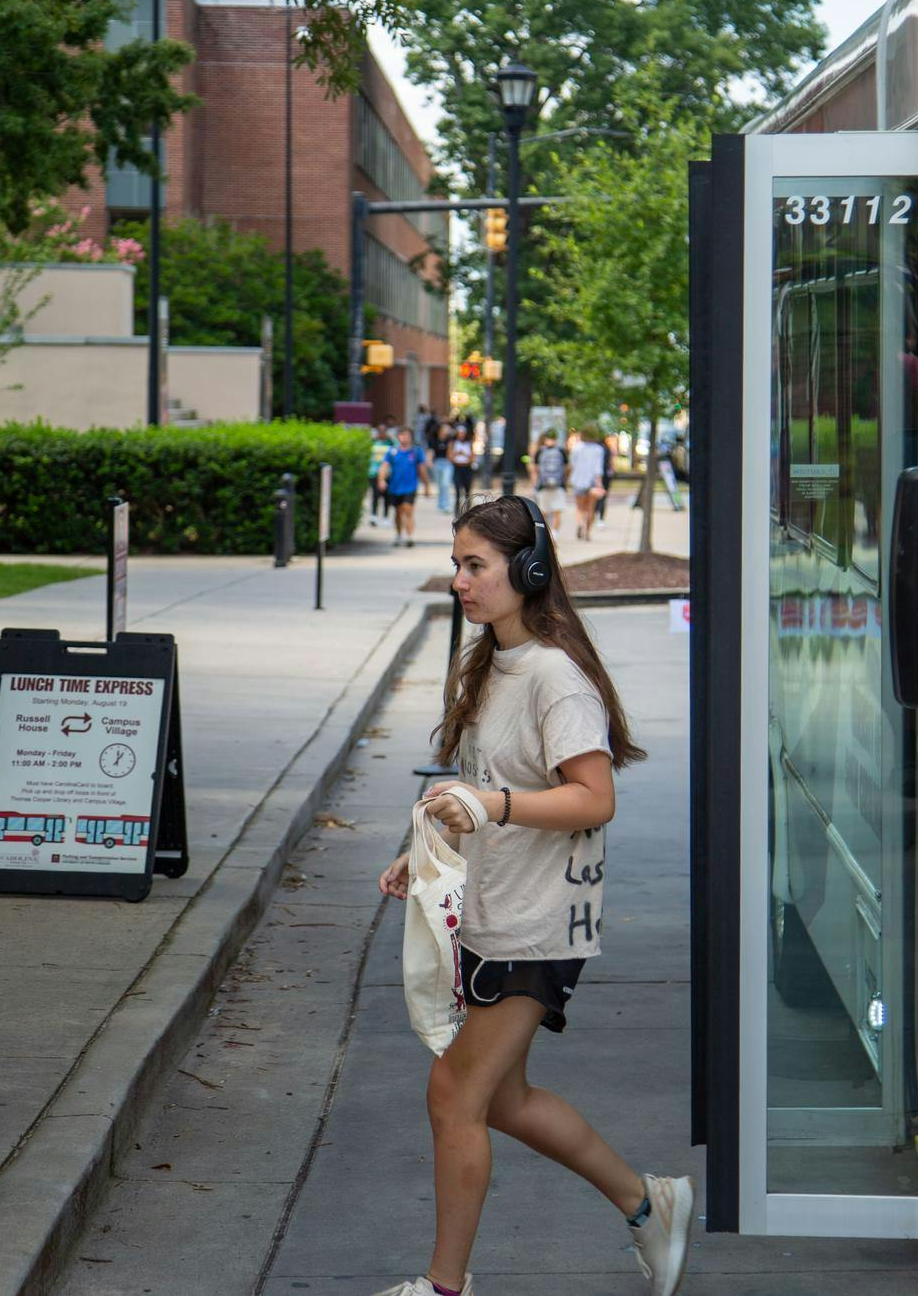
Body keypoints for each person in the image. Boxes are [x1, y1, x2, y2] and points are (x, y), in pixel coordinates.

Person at [375, 496, 692, 1296]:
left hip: (539, 926)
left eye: (475, 565)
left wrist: (495, 806)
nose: (459, 582)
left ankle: (445, 1287)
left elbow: (593, 797)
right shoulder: (487, 663)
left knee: (454, 1094)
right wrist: (425, 848)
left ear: (529, 571)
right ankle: (646, 1202)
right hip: (494, 911)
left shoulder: (556, 678)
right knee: (505, 1098)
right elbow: (480, 786)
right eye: (457, 564)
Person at [382, 427, 430, 548]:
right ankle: (398, 535)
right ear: (398, 437)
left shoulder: (416, 452)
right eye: (401, 435)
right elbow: (384, 466)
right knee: (398, 512)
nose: (404, 438)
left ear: (411, 437)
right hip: (395, 487)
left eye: (406, 435)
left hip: (410, 486)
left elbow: (422, 469)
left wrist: (426, 485)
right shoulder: (392, 452)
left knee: (408, 510)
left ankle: (410, 536)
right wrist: (381, 479)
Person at [567, 430, 607, 542]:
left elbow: (572, 465)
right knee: (591, 509)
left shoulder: (576, 448)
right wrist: (600, 484)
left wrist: (568, 479)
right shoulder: (598, 449)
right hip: (592, 483)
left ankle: (580, 523)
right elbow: (598, 469)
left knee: (579, 508)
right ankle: (587, 532)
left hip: (578, 481)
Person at [528, 431, 567, 538]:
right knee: (557, 512)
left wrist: (534, 485)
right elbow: (566, 468)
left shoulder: (540, 451)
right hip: (558, 485)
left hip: (543, 486)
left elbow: (535, 469)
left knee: (543, 512)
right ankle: (554, 534)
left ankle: (543, 534)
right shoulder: (561, 451)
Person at [369, 426, 395, 527]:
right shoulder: (373, 442)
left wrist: (392, 439)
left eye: (384, 431)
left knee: (387, 496)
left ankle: (386, 517)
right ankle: (374, 516)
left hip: (388, 473)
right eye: (379, 431)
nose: (381, 433)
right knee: (375, 495)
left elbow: (398, 448)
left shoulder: (391, 444)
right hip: (374, 472)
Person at [448, 423, 477, 513]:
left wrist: (464, 454)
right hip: (457, 468)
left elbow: (472, 457)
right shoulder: (453, 443)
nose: (461, 435)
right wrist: (457, 454)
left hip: (467, 468)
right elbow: (450, 456)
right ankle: (457, 510)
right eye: (459, 433)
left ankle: (468, 509)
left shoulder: (469, 443)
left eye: (462, 433)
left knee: (467, 491)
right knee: (457, 490)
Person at [434, 421, 458, 514]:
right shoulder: (434, 439)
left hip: (447, 463)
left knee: (445, 484)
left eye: (447, 429)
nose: (446, 431)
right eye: (444, 429)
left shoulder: (450, 440)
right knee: (440, 485)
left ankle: (446, 505)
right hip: (437, 462)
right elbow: (431, 451)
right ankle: (440, 504)